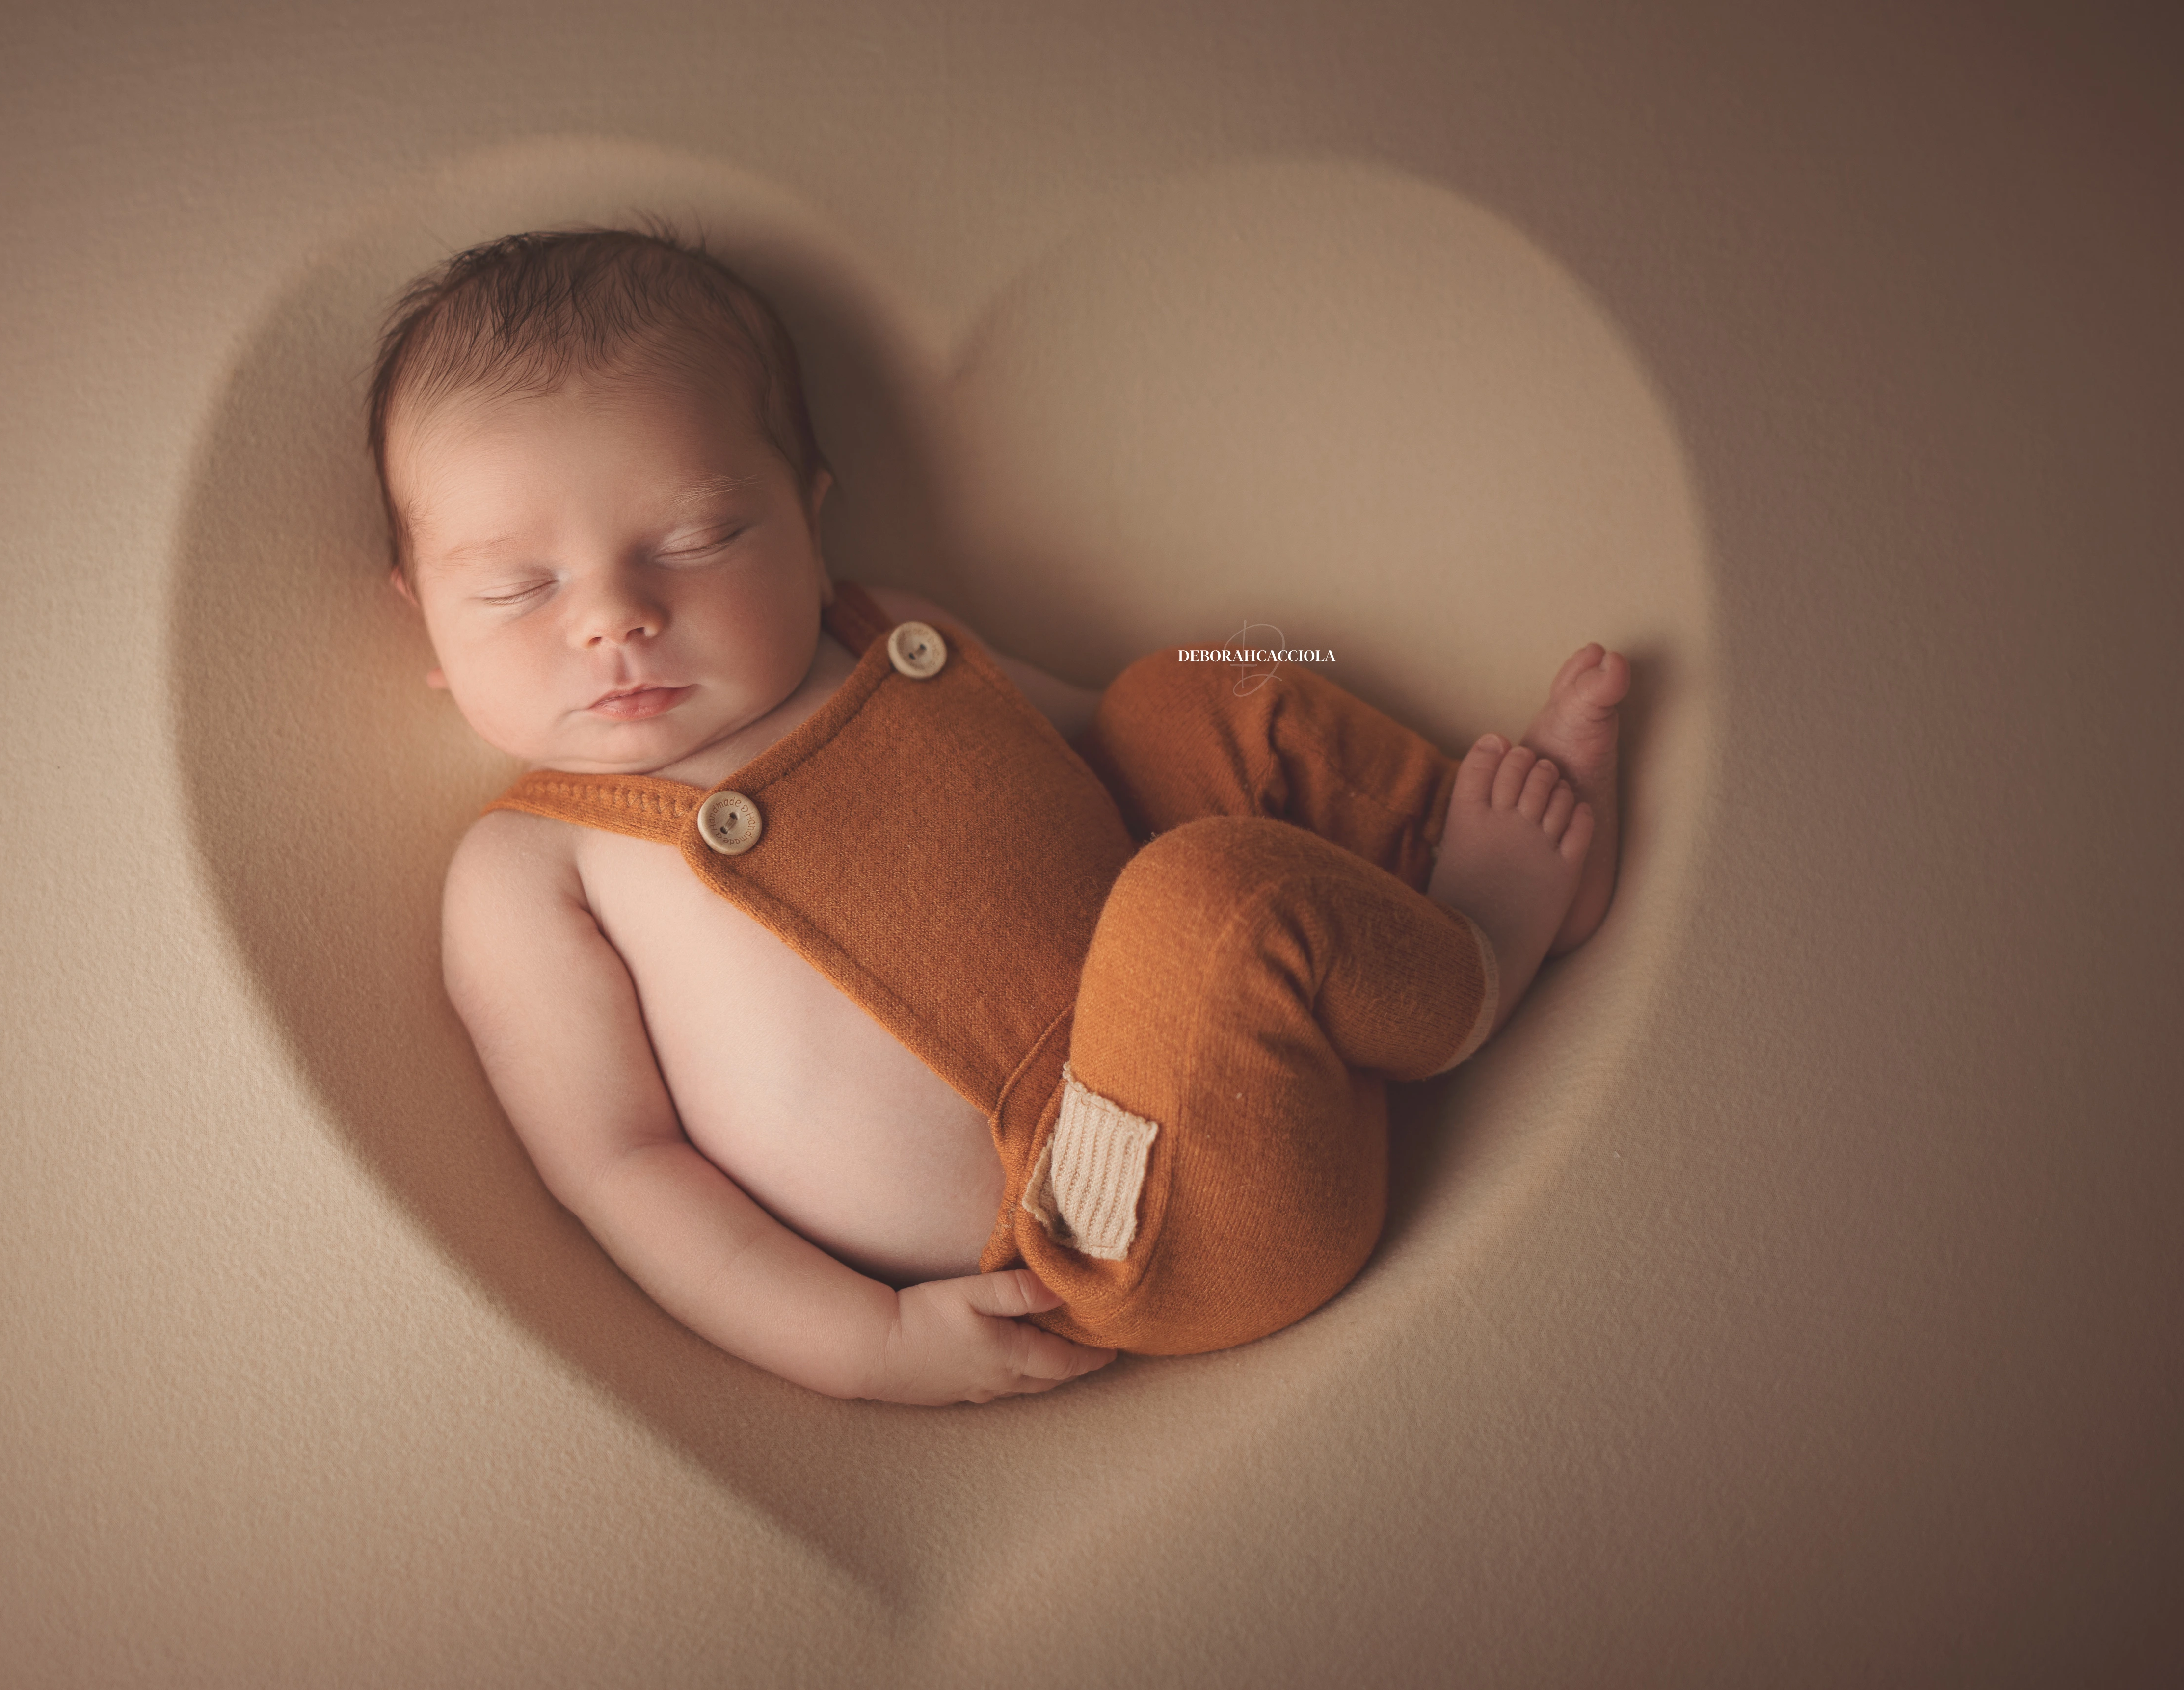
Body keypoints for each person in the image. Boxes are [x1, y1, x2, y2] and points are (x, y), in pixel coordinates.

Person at [371, 228, 1629, 1405]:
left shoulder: (891, 632)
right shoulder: (530, 867)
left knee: (1183, 695)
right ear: (425, 616)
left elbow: (1099, 761)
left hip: (1222, 1025)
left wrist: (1207, 733)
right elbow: (621, 1168)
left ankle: (1428, 855)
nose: (613, 617)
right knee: (1204, 896)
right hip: (1130, 1225)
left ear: (810, 524)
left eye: (697, 538)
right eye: (518, 589)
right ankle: (1484, 947)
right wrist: (866, 1342)